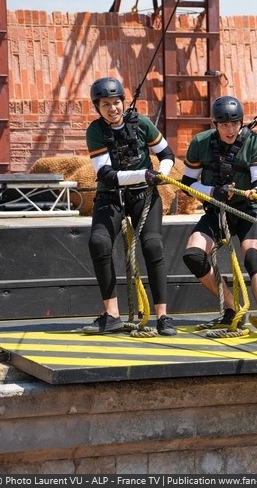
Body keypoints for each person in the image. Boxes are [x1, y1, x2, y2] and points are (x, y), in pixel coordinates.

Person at [83, 76, 176, 336]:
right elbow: (107, 176)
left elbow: (167, 154)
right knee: (99, 242)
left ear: (124, 102)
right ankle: (111, 315)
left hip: (144, 196)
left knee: (152, 244)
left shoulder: (142, 123)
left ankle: (163, 316)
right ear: (98, 108)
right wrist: (144, 173)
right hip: (110, 197)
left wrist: (161, 173)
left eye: (116, 102)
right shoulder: (95, 131)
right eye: (105, 105)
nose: (112, 108)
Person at [181, 95, 257, 336]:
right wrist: (214, 191)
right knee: (193, 254)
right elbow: (187, 183)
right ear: (215, 125)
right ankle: (232, 308)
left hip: (247, 209)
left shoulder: (255, 142)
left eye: (235, 124)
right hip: (216, 209)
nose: (230, 130)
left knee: (252, 255)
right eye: (224, 125)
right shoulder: (200, 143)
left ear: (241, 123)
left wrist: (256, 192)